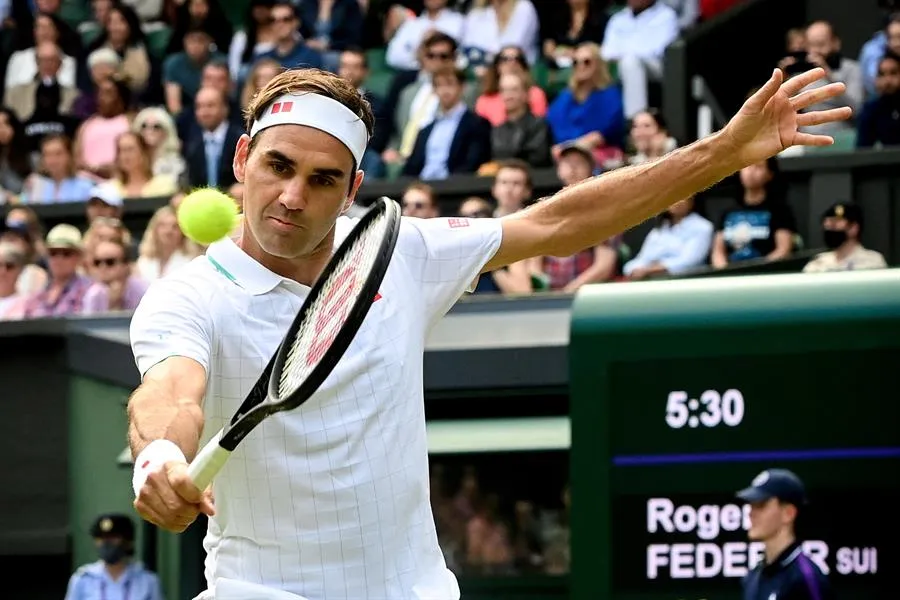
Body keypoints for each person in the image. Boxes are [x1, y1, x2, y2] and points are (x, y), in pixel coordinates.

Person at [128, 65, 849, 599]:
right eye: (277, 166)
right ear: (240, 159)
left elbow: (559, 221)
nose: (292, 197)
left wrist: (723, 152)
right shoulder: (188, 298)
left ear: (351, 192)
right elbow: (171, 394)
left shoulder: (397, 253)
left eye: (322, 179)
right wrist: (160, 457)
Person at [736, 469, 834, 600]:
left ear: (788, 513)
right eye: (751, 505)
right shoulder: (752, 577)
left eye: (761, 505)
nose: (751, 513)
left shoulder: (806, 579)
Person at [64, 513, 164, 600]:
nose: (106, 543)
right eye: (101, 538)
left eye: (113, 538)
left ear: (127, 541)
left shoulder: (147, 580)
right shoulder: (83, 579)